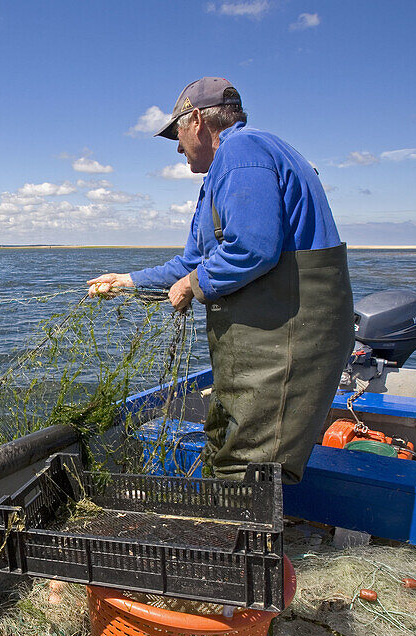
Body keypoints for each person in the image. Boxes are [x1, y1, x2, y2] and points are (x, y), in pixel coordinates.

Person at [89, 77, 353, 483]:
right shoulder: (225, 169)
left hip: (289, 337)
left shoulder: (242, 152)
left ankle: (250, 543)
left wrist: (193, 286)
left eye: (176, 133)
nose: (177, 147)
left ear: (196, 120)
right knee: (223, 441)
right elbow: (194, 262)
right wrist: (127, 280)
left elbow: (252, 248)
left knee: (249, 469)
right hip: (264, 335)